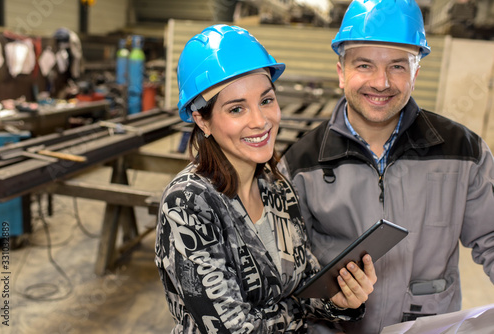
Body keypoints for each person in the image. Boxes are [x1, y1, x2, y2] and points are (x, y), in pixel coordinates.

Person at [278, 0, 494, 333]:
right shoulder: (301, 165)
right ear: (341, 72)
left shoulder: (463, 152)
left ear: (416, 72)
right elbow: (285, 273)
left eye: (397, 66)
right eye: (364, 65)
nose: (381, 83)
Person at [155, 24, 378, 334]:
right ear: (202, 119)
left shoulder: (278, 189)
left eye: (266, 101)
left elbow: (305, 285)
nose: (260, 121)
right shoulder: (189, 202)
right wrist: (296, 313)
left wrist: (338, 301)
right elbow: (232, 329)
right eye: (236, 109)